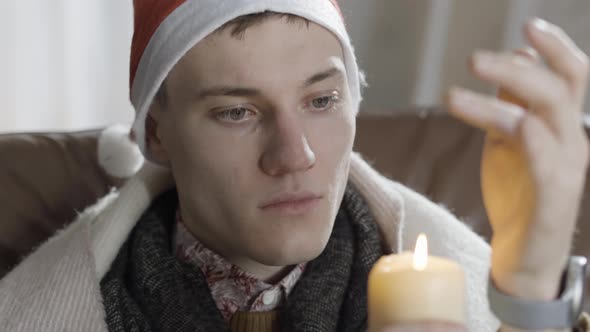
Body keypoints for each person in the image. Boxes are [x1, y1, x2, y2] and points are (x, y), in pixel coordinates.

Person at [0, 1, 588, 331]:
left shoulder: (453, 289)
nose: (296, 155)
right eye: (236, 111)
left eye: (322, 100)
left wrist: (530, 284)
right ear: (157, 131)